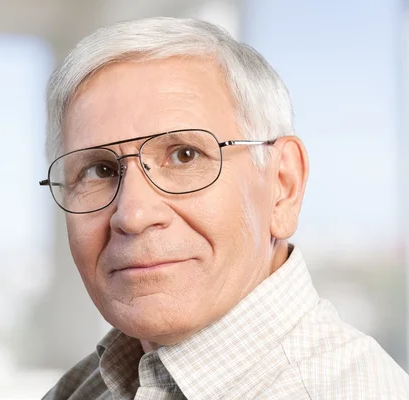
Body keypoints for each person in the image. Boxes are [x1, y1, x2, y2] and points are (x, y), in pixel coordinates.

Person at [39, 16, 409, 399]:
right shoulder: (85, 388)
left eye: (185, 155)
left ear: (283, 186)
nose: (132, 215)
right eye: (98, 170)